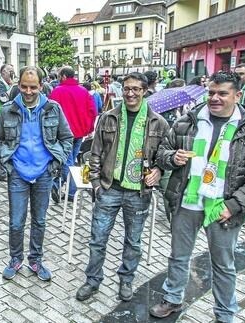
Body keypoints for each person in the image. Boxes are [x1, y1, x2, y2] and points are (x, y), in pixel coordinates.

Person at [150, 72, 245, 322]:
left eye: (222, 93)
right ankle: (173, 298)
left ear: (237, 95)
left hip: (222, 206)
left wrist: (235, 205)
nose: (215, 98)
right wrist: (172, 158)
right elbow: (162, 152)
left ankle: (225, 313)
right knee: (178, 255)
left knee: (224, 263)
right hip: (187, 200)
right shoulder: (188, 121)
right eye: (211, 92)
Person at [75, 72, 169, 302]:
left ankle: (126, 279)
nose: (130, 93)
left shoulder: (158, 122)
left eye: (136, 89)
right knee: (98, 239)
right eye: (127, 88)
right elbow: (95, 153)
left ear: (145, 91)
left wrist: (159, 171)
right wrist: (96, 184)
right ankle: (92, 280)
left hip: (138, 191)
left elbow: (164, 156)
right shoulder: (109, 118)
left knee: (133, 241)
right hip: (110, 187)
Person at [0, 66, 73, 281]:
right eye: (25, 87)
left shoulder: (53, 108)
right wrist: (5, 162)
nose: (28, 91)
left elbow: (67, 138)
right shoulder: (8, 109)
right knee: (16, 221)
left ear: (41, 86)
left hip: (44, 173)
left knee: (40, 220)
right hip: (17, 173)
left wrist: (55, 164)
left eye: (33, 87)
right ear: (19, 85)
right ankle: (15, 258)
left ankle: (35, 260)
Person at [49, 66, 97, 202]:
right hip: (79, 132)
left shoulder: (58, 91)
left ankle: (71, 190)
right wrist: (88, 129)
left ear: (63, 76)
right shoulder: (83, 91)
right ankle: (57, 184)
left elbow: (50, 112)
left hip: (63, 133)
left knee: (67, 162)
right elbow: (93, 111)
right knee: (71, 160)